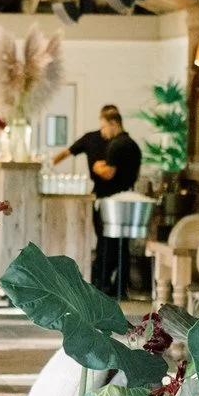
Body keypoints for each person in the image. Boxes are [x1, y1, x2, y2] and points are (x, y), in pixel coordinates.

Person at [52, 103, 143, 296]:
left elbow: (108, 173)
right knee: (122, 245)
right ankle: (118, 287)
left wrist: (96, 168)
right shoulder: (133, 145)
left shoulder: (116, 145)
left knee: (106, 242)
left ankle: (101, 284)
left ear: (112, 123)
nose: (102, 131)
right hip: (127, 199)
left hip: (108, 200)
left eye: (103, 126)